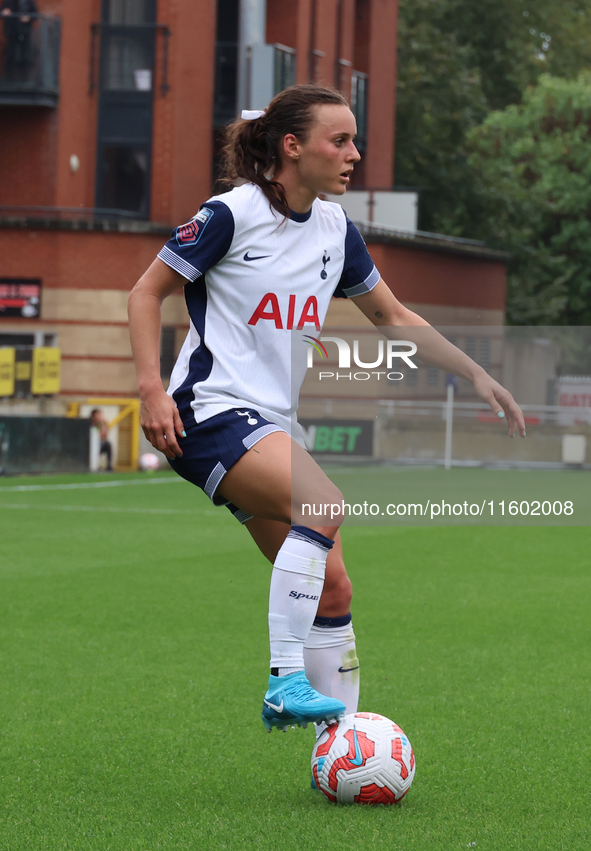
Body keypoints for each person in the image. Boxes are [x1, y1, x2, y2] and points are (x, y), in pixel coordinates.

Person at [128, 84, 525, 738]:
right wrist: (151, 387)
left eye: (353, 140)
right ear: (292, 147)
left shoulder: (337, 231)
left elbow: (393, 316)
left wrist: (475, 371)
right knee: (323, 503)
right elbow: (146, 292)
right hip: (208, 413)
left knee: (333, 589)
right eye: (338, 140)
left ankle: (336, 748)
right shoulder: (230, 213)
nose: (353, 153)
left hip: (269, 427)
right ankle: (283, 678)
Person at [0, 0, 37, 80]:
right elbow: (2, 11)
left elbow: (35, 14)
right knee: (10, 54)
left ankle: (25, 77)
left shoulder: (29, 1)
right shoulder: (8, 1)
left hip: (24, 31)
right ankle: (8, 77)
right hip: (11, 31)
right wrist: (4, 11)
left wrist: (28, 18)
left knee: (25, 55)